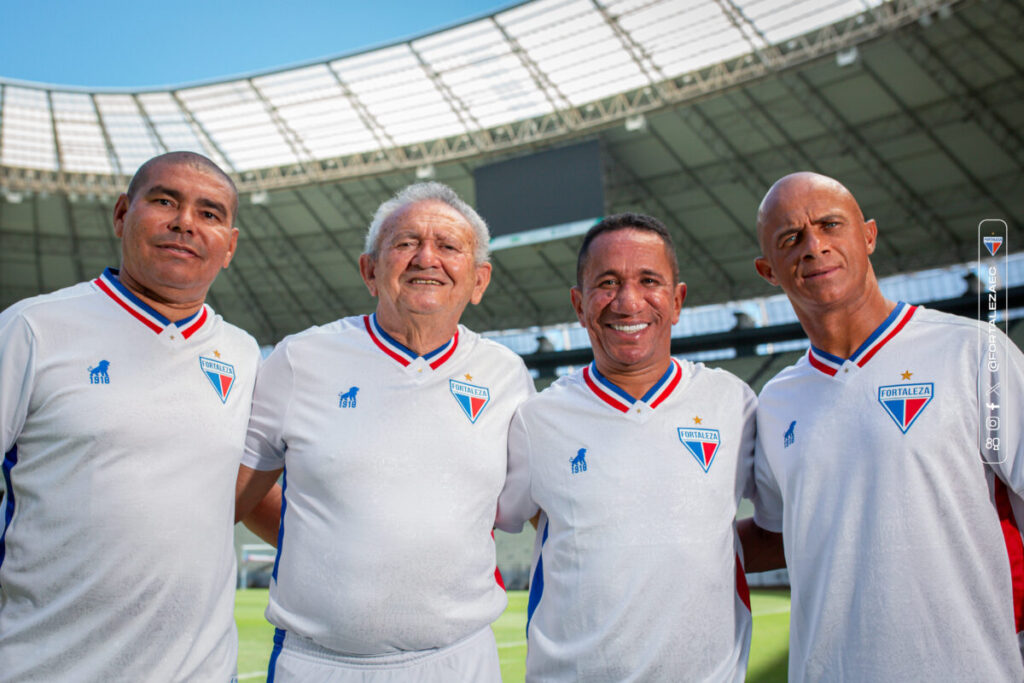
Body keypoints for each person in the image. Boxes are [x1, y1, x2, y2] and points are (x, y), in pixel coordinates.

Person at [235, 182, 534, 682]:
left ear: (479, 281)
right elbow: (236, 496)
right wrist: (318, 544)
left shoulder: (506, 376)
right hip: (317, 665)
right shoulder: (300, 360)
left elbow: (542, 510)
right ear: (370, 271)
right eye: (405, 242)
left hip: (459, 663)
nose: (426, 258)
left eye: (448, 246)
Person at [747, 171, 1024, 681]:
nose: (814, 247)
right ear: (769, 270)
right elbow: (776, 533)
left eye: (830, 225)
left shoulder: (973, 351)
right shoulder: (774, 402)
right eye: (791, 239)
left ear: (868, 235)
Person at [0, 151, 260, 681]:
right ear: (122, 215)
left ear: (229, 246)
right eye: (165, 201)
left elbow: (250, 486)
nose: (185, 222)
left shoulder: (244, 353)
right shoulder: (33, 329)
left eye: (209, 213)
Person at [495, 213, 757, 681]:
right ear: (579, 304)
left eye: (649, 280)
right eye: (607, 282)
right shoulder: (537, 421)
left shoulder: (732, 403)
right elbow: (508, 519)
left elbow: (784, 524)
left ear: (677, 301)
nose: (628, 301)